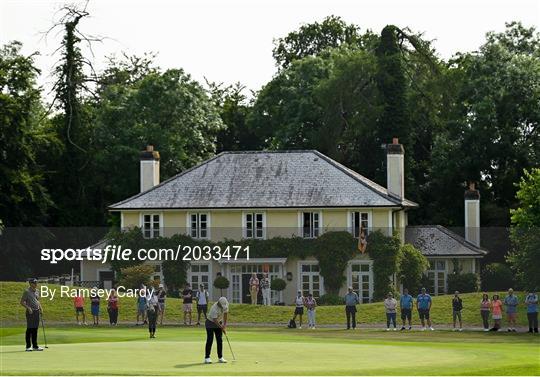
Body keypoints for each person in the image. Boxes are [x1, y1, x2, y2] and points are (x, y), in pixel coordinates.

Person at [20, 278, 43, 351]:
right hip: (30, 312)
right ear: (30, 283)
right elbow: (22, 302)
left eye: (36, 283)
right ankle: (28, 346)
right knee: (30, 328)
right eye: (34, 283)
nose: (36, 284)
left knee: (35, 329)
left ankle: (35, 346)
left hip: (36, 311)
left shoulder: (37, 291)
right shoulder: (26, 291)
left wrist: (41, 308)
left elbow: (37, 301)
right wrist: (28, 308)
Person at [204, 297, 229, 364]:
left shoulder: (226, 305)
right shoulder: (214, 308)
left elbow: (225, 315)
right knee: (210, 339)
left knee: (219, 340)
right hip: (210, 323)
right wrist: (221, 328)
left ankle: (220, 357)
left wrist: (224, 325)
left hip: (219, 322)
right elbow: (215, 320)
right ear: (219, 303)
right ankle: (207, 357)